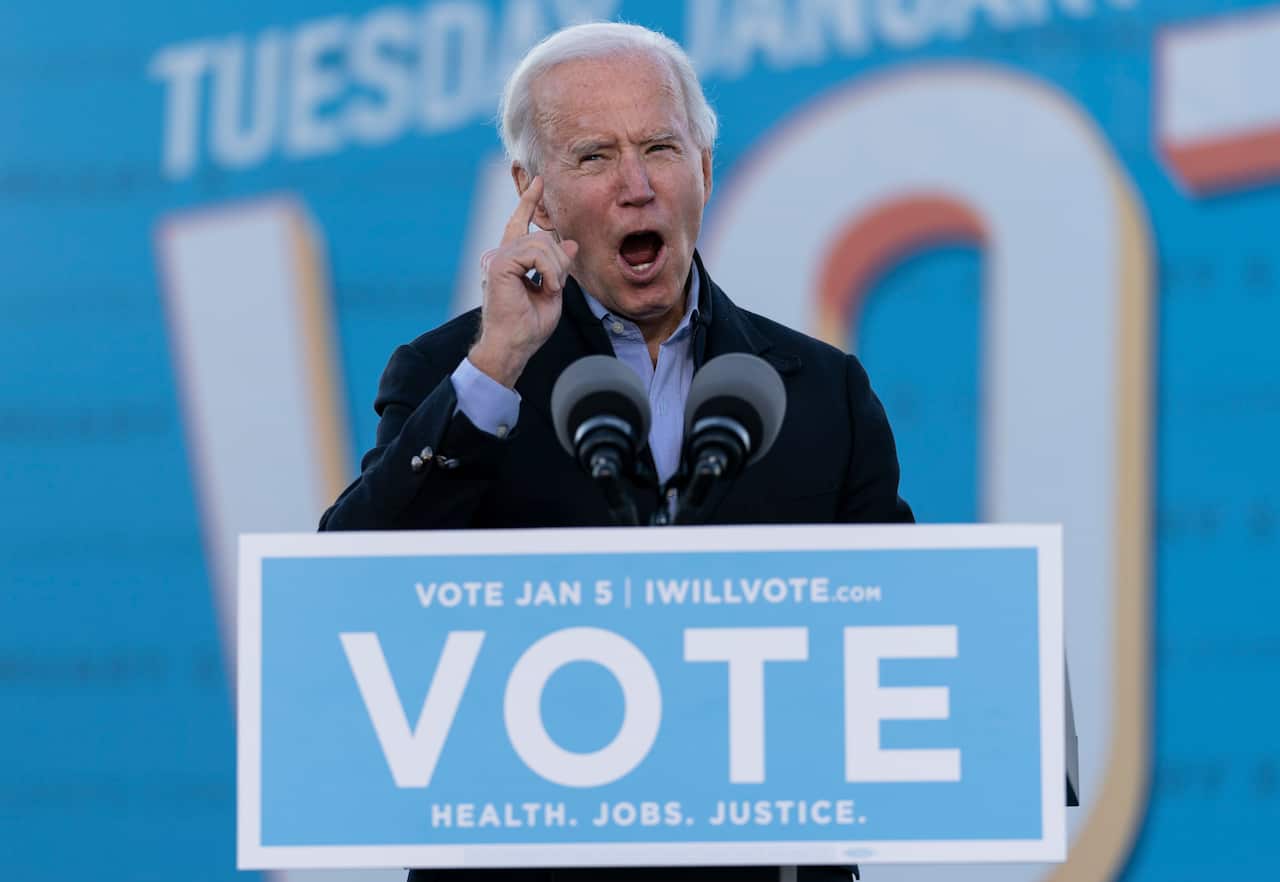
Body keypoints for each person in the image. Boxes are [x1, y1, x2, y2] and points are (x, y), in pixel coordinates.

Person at [320, 20, 908, 882]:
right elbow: (351, 594)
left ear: (704, 169)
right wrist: (496, 368)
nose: (638, 187)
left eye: (662, 147)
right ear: (536, 194)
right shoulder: (457, 373)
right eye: (595, 157)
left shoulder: (824, 391)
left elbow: (896, 629)